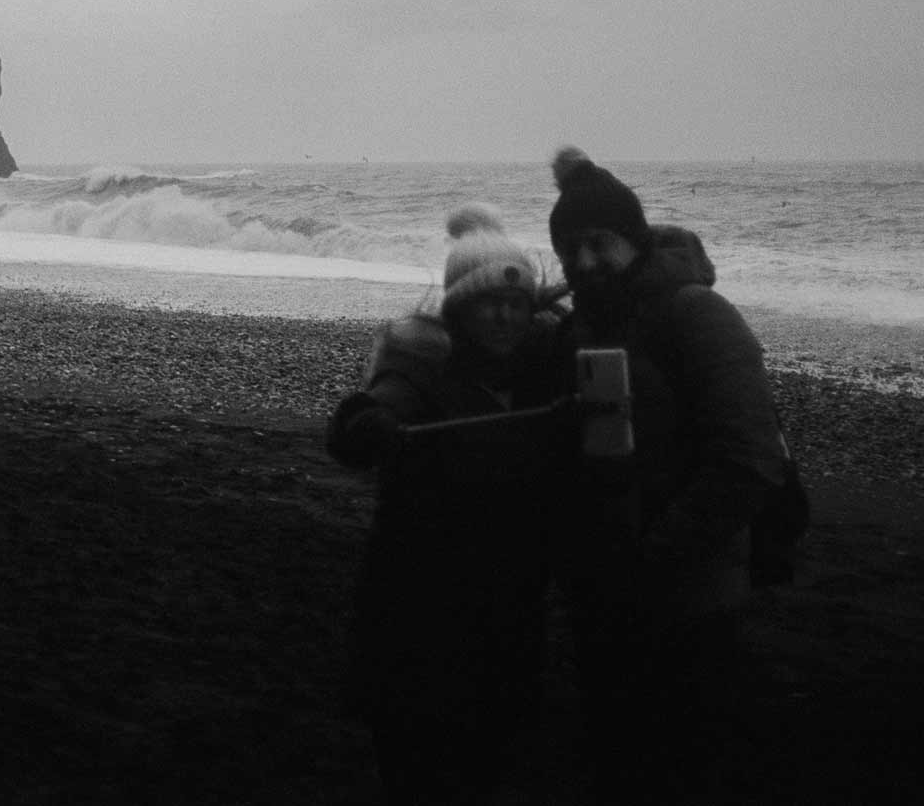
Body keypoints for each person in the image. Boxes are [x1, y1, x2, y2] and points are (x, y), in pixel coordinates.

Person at [547, 147, 787, 805]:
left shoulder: (695, 314)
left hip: (690, 597)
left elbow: (748, 459)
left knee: (687, 763)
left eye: (601, 243)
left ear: (635, 240)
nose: (586, 262)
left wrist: (651, 556)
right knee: (617, 763)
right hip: (603, 599)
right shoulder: (580, 325)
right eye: (571, 250)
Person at [327, 204, 571, 806]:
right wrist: (371, 424)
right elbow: (367, 415)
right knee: (416, 763)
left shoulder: (547, 370)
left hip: (509, 605)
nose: (503, 315)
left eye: (516, 303)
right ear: (459, 308)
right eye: (488, 303)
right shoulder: (424, 367)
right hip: (419, 603)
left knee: (489, 761)